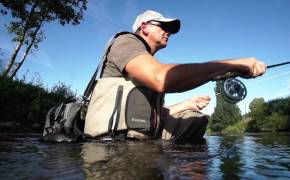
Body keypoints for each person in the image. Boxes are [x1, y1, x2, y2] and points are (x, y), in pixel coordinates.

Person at [85, 10, 266, 143]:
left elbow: (154, 115)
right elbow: (161, 78)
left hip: (142, 136)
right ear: (144, 27)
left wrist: (186, 104)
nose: (168, 31)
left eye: (169, 28)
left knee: (195, 118)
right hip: (110, 143)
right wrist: (236, 64)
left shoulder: (146, 63)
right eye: (162, 26)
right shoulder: (126, 41)